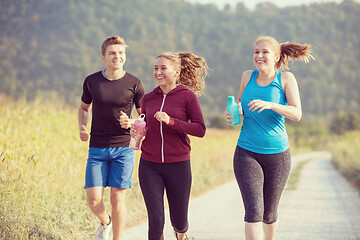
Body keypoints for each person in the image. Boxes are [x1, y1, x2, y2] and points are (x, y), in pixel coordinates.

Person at [226, 36, 313, 240]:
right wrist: (235, 111)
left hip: (278, 156)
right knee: (253, 213)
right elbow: (240, 102)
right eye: (256, 51)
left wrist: (272, 105)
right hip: (246, 152)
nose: (259, 55)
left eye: (265, 52)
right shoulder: (247, 76)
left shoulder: (285, 79)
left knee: (269, 214)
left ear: (275, 57)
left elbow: (297, 113)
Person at [126, 52, 207, 240]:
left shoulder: (187, 97)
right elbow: (146, 124)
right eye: (155, 68)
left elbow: (200, 129)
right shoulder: (148, 98)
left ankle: (182, 235)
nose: (158, 72)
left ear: (176, 72)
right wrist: (137, 129)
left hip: (178, 165)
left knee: (179, 221)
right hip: (149, 164)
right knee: (156, 218)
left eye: (163, 68)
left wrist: (171, 122)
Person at [78, 36, 145, 240]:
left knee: (117, 199)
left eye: (121, 53)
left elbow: (143, 119)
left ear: (125, 57)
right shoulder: (92, 81)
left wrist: (131, 122)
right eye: (112, 53)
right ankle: (105, 222)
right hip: (97, 147)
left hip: (124, 147)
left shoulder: (134, 83)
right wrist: (82, 126)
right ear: (103, 57)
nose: (117, 56)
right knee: (93, 199)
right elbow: (83, 109)